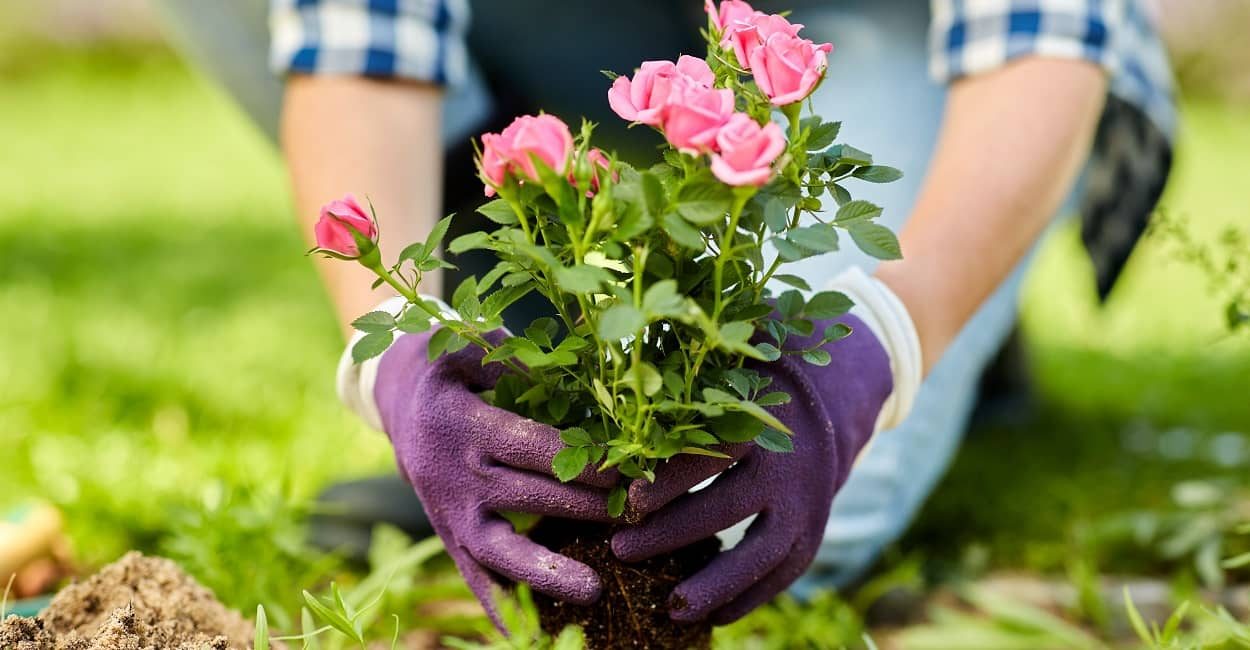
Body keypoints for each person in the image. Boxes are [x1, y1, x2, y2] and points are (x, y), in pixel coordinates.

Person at [157, 0, 1175, 626]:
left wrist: (890, 342)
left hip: (903, 29)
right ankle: (535, 354)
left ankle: (947, 322)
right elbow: (361, 39)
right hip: (590, 22)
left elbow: (1039, 41)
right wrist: (394, 351)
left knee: (771, 526)